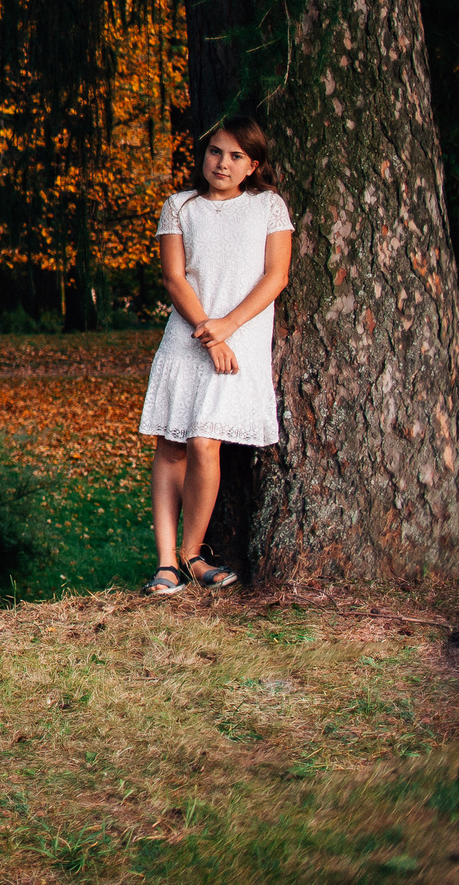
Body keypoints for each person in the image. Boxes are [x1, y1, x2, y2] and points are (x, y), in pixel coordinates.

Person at [140, 119, 291, 595]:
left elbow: (275, 276)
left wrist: (227, 328)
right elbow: (174, 279)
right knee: (172, 444)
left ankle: (193, 554)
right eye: (215, 152)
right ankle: (166, 562)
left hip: (238, 343)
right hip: (187, 339)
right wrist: (211, 333)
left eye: (235, 157)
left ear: (253, 167)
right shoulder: (180, 206)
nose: (222, 163)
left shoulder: (268, 206)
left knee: (206, 442)